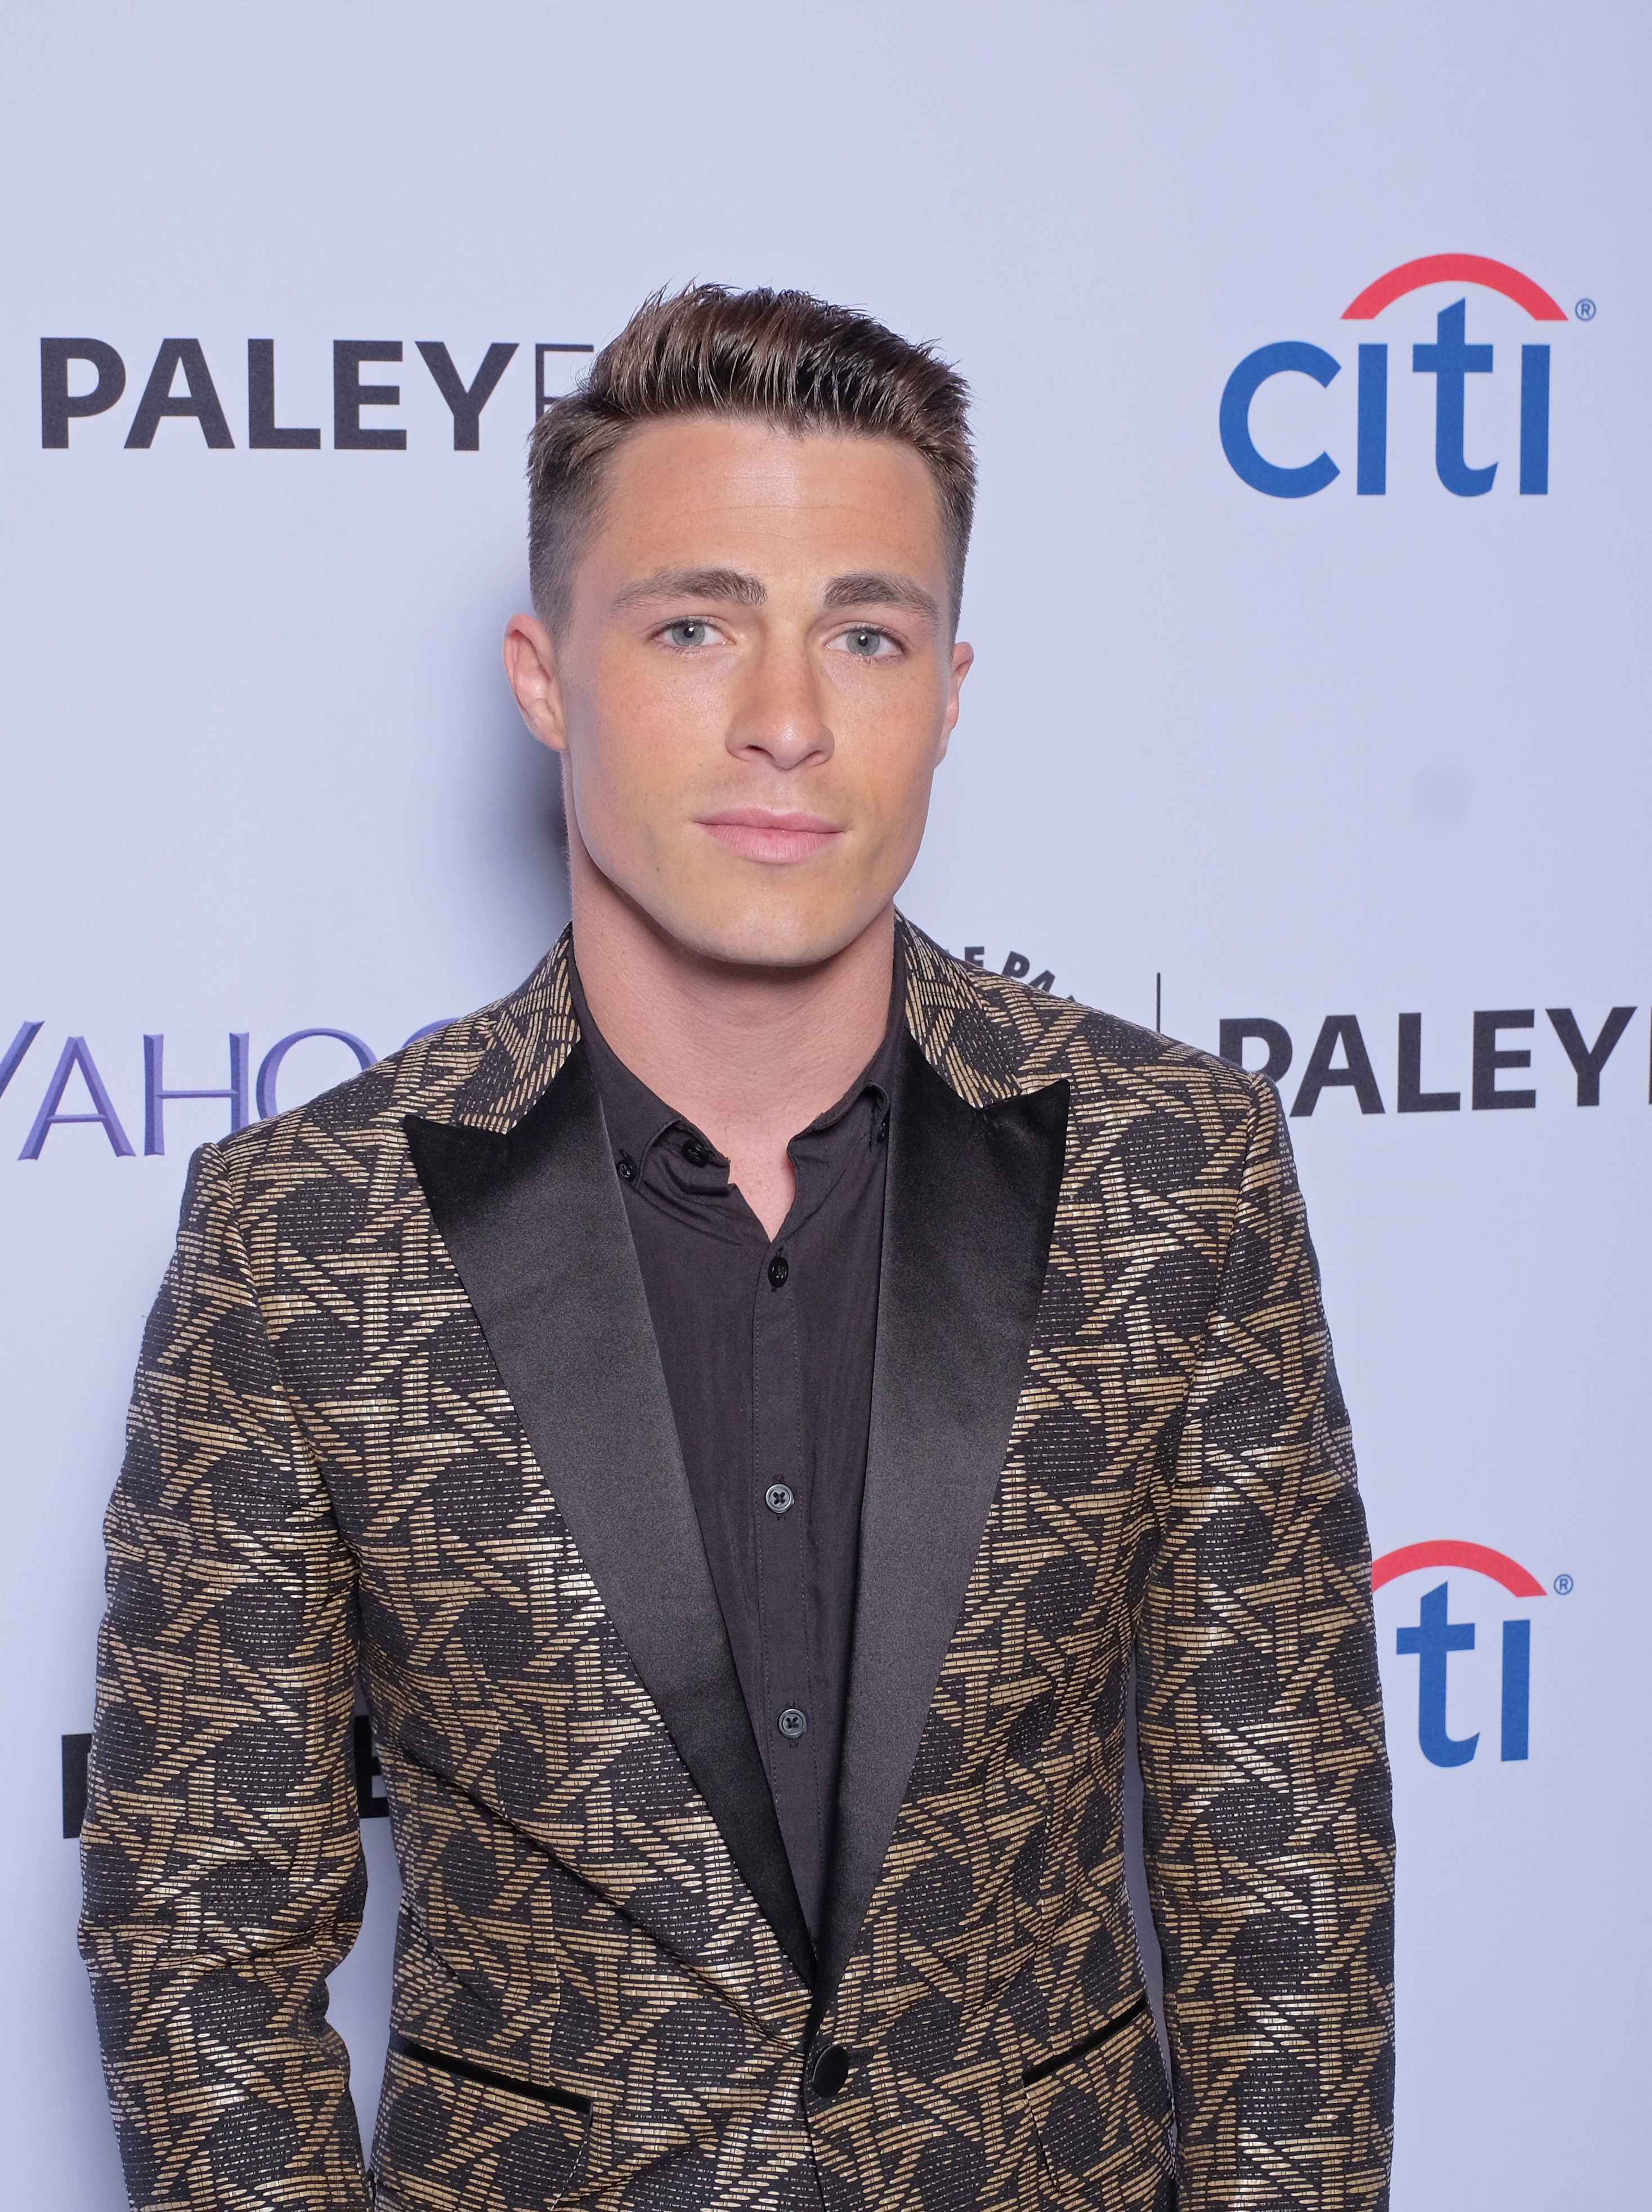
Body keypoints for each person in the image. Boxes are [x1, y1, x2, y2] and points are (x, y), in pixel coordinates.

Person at [79, 285, 1394, 2212]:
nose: (788, 719)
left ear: (949, 688)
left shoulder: (1175, 1170)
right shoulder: (304, 1232)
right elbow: (203, 1952)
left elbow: (1289, 1893)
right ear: (545, 676)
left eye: (866, 633)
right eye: (695, 626)